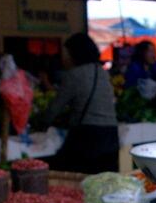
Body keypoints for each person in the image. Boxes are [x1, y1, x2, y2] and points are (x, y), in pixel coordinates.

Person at [43, 33, 118, 174]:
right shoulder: (102, 73)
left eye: (67, 53)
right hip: (111, 136)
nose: (64, 58)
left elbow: (55, 108)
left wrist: (42, 124)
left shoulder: (74, 75)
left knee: (73, 176)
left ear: (74, 54)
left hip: (88, 137)